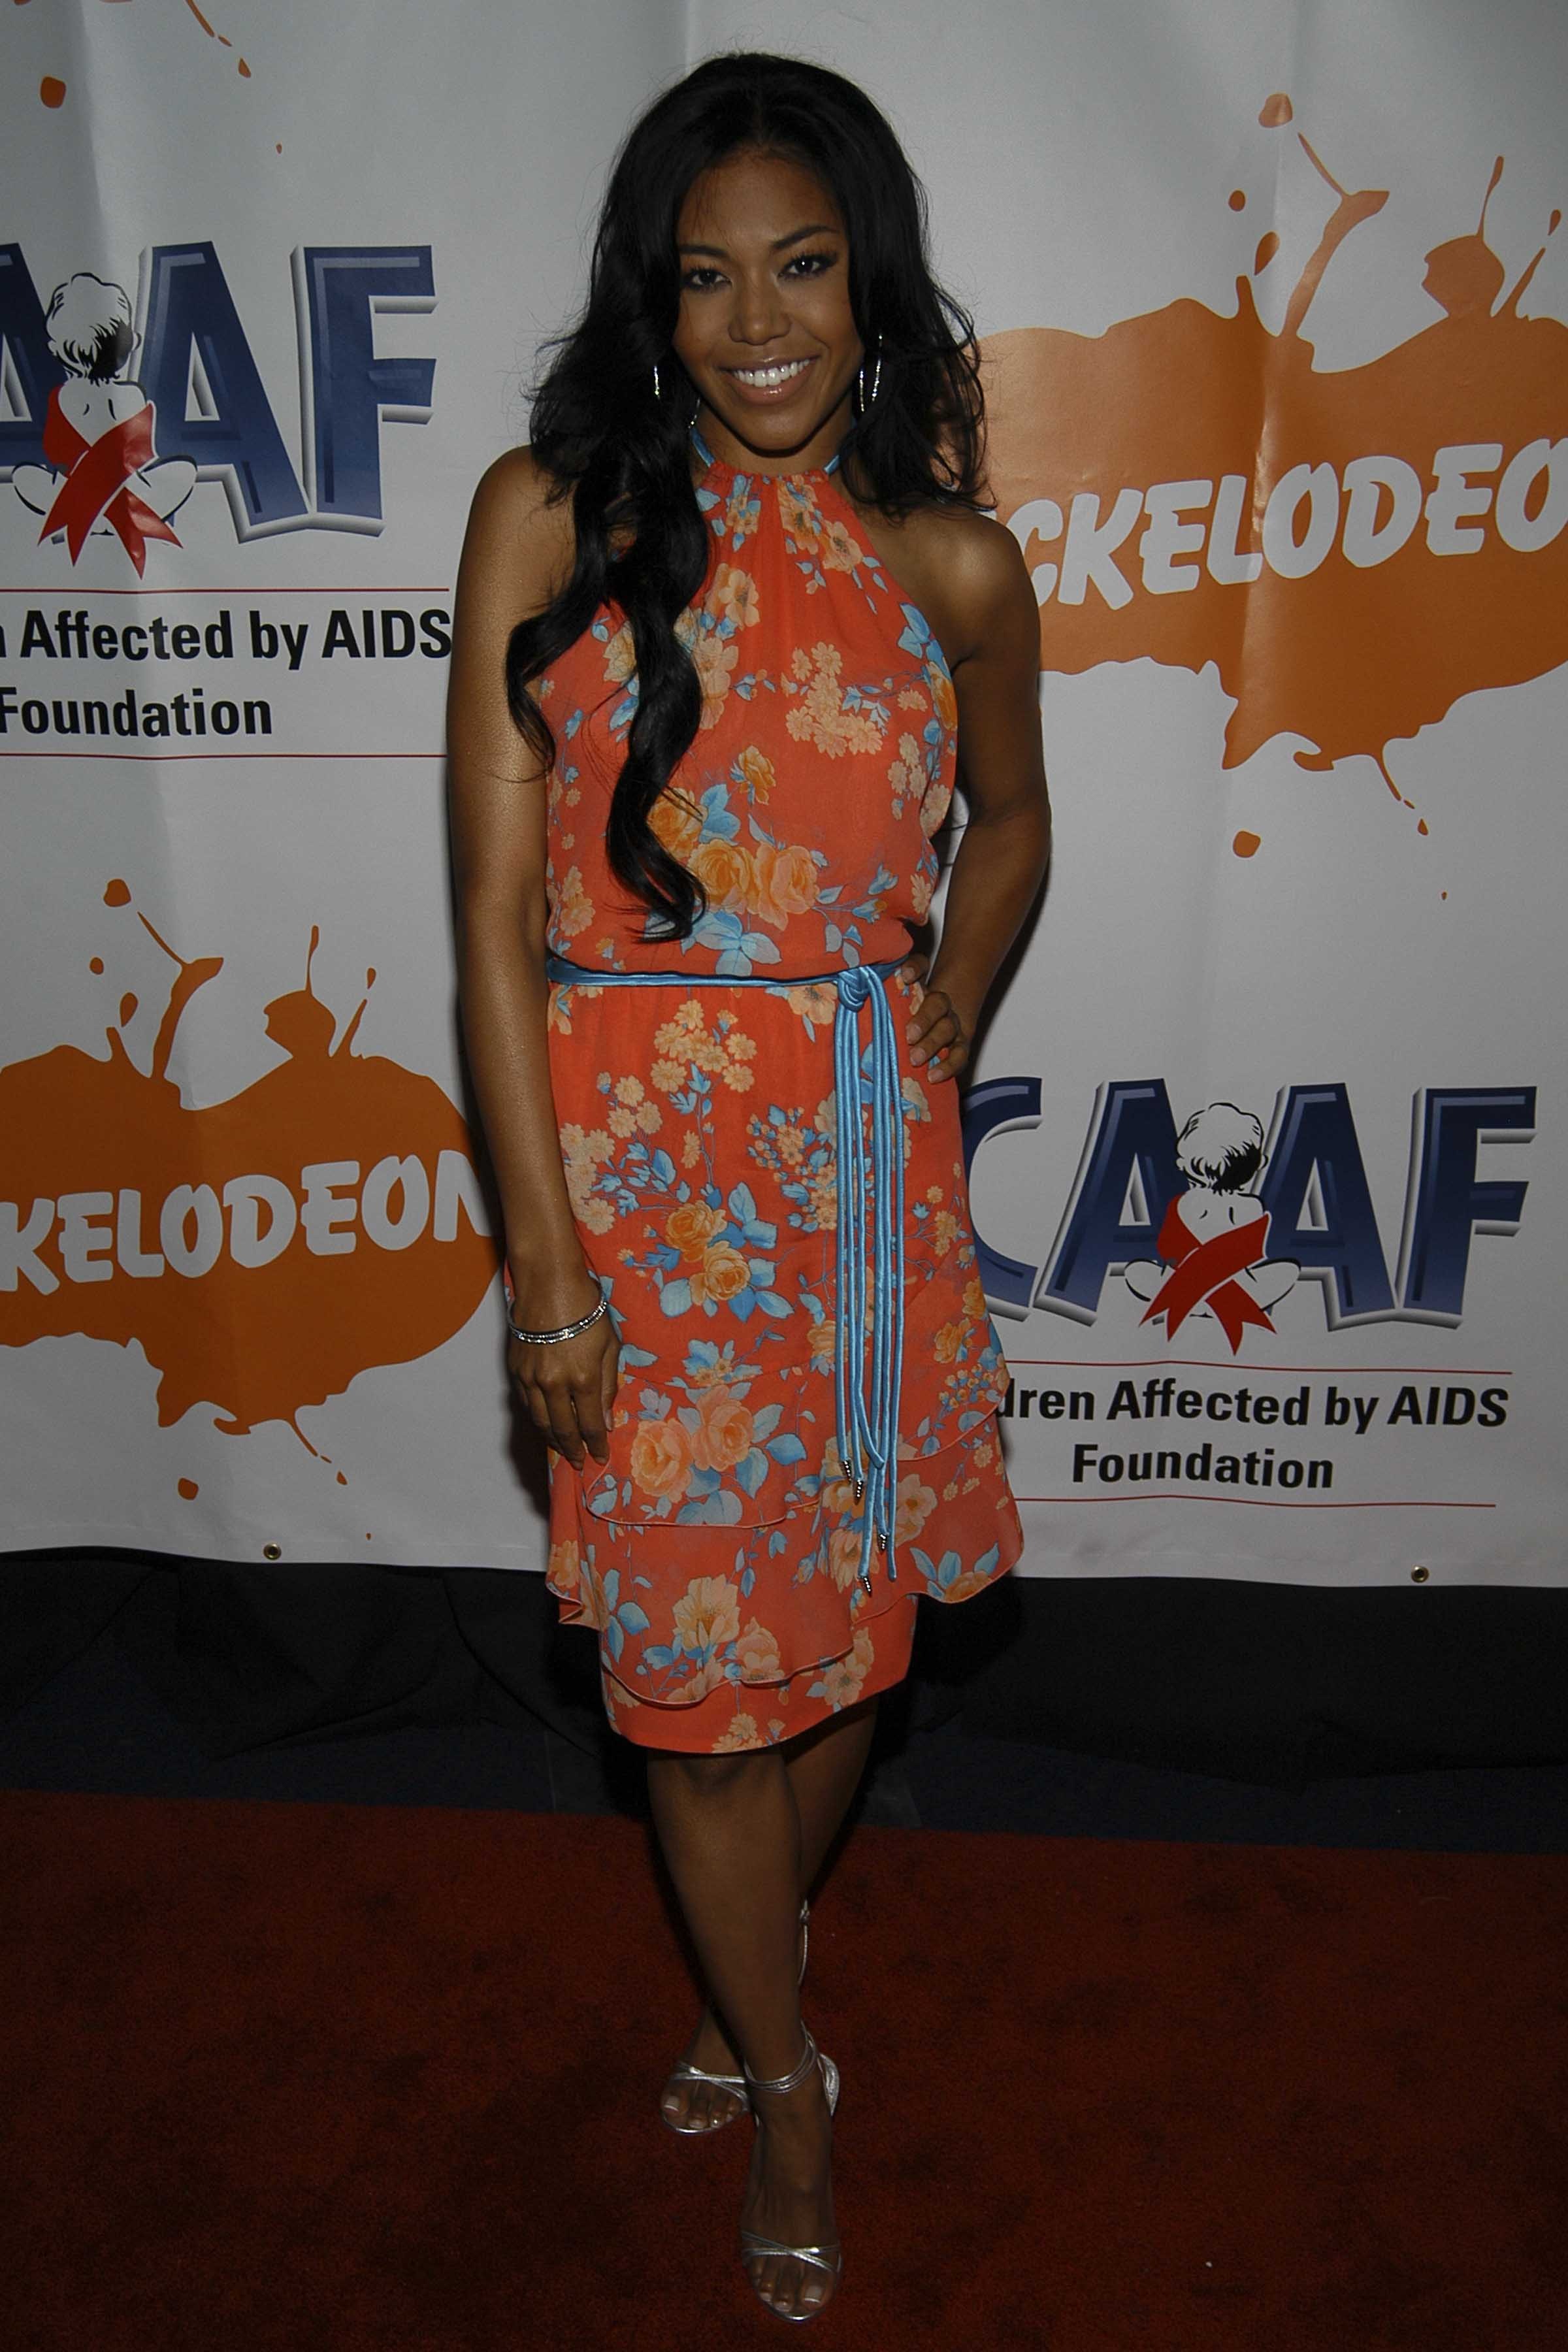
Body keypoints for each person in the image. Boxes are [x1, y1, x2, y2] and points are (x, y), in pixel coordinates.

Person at [446, 51, 1051, 2321]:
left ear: (869, 284)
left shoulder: (951, 560)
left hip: (860, 1187)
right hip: (635, 1192)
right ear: (655, 298)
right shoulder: (547, 517)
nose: (760, 322)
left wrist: (950, 996)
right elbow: (490, 923)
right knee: (699, 1689)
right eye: (708, 278)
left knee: (841, 1647)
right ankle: (791, 2079)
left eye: (803, 267)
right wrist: (544, 1267)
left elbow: (1019, 818)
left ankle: (746, 1985)